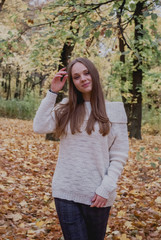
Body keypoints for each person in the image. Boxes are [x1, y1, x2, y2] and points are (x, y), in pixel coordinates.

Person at [33, 57, 129, 240]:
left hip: (98, 195)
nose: (83, 79)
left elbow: (119, 154)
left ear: (94, 74)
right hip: (65, 191)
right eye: (76, 77)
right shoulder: (66, 108)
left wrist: (105, 188)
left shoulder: (115, 110)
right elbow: (39, 126)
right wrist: (52, 92)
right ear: (73, 83)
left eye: (86, 73)